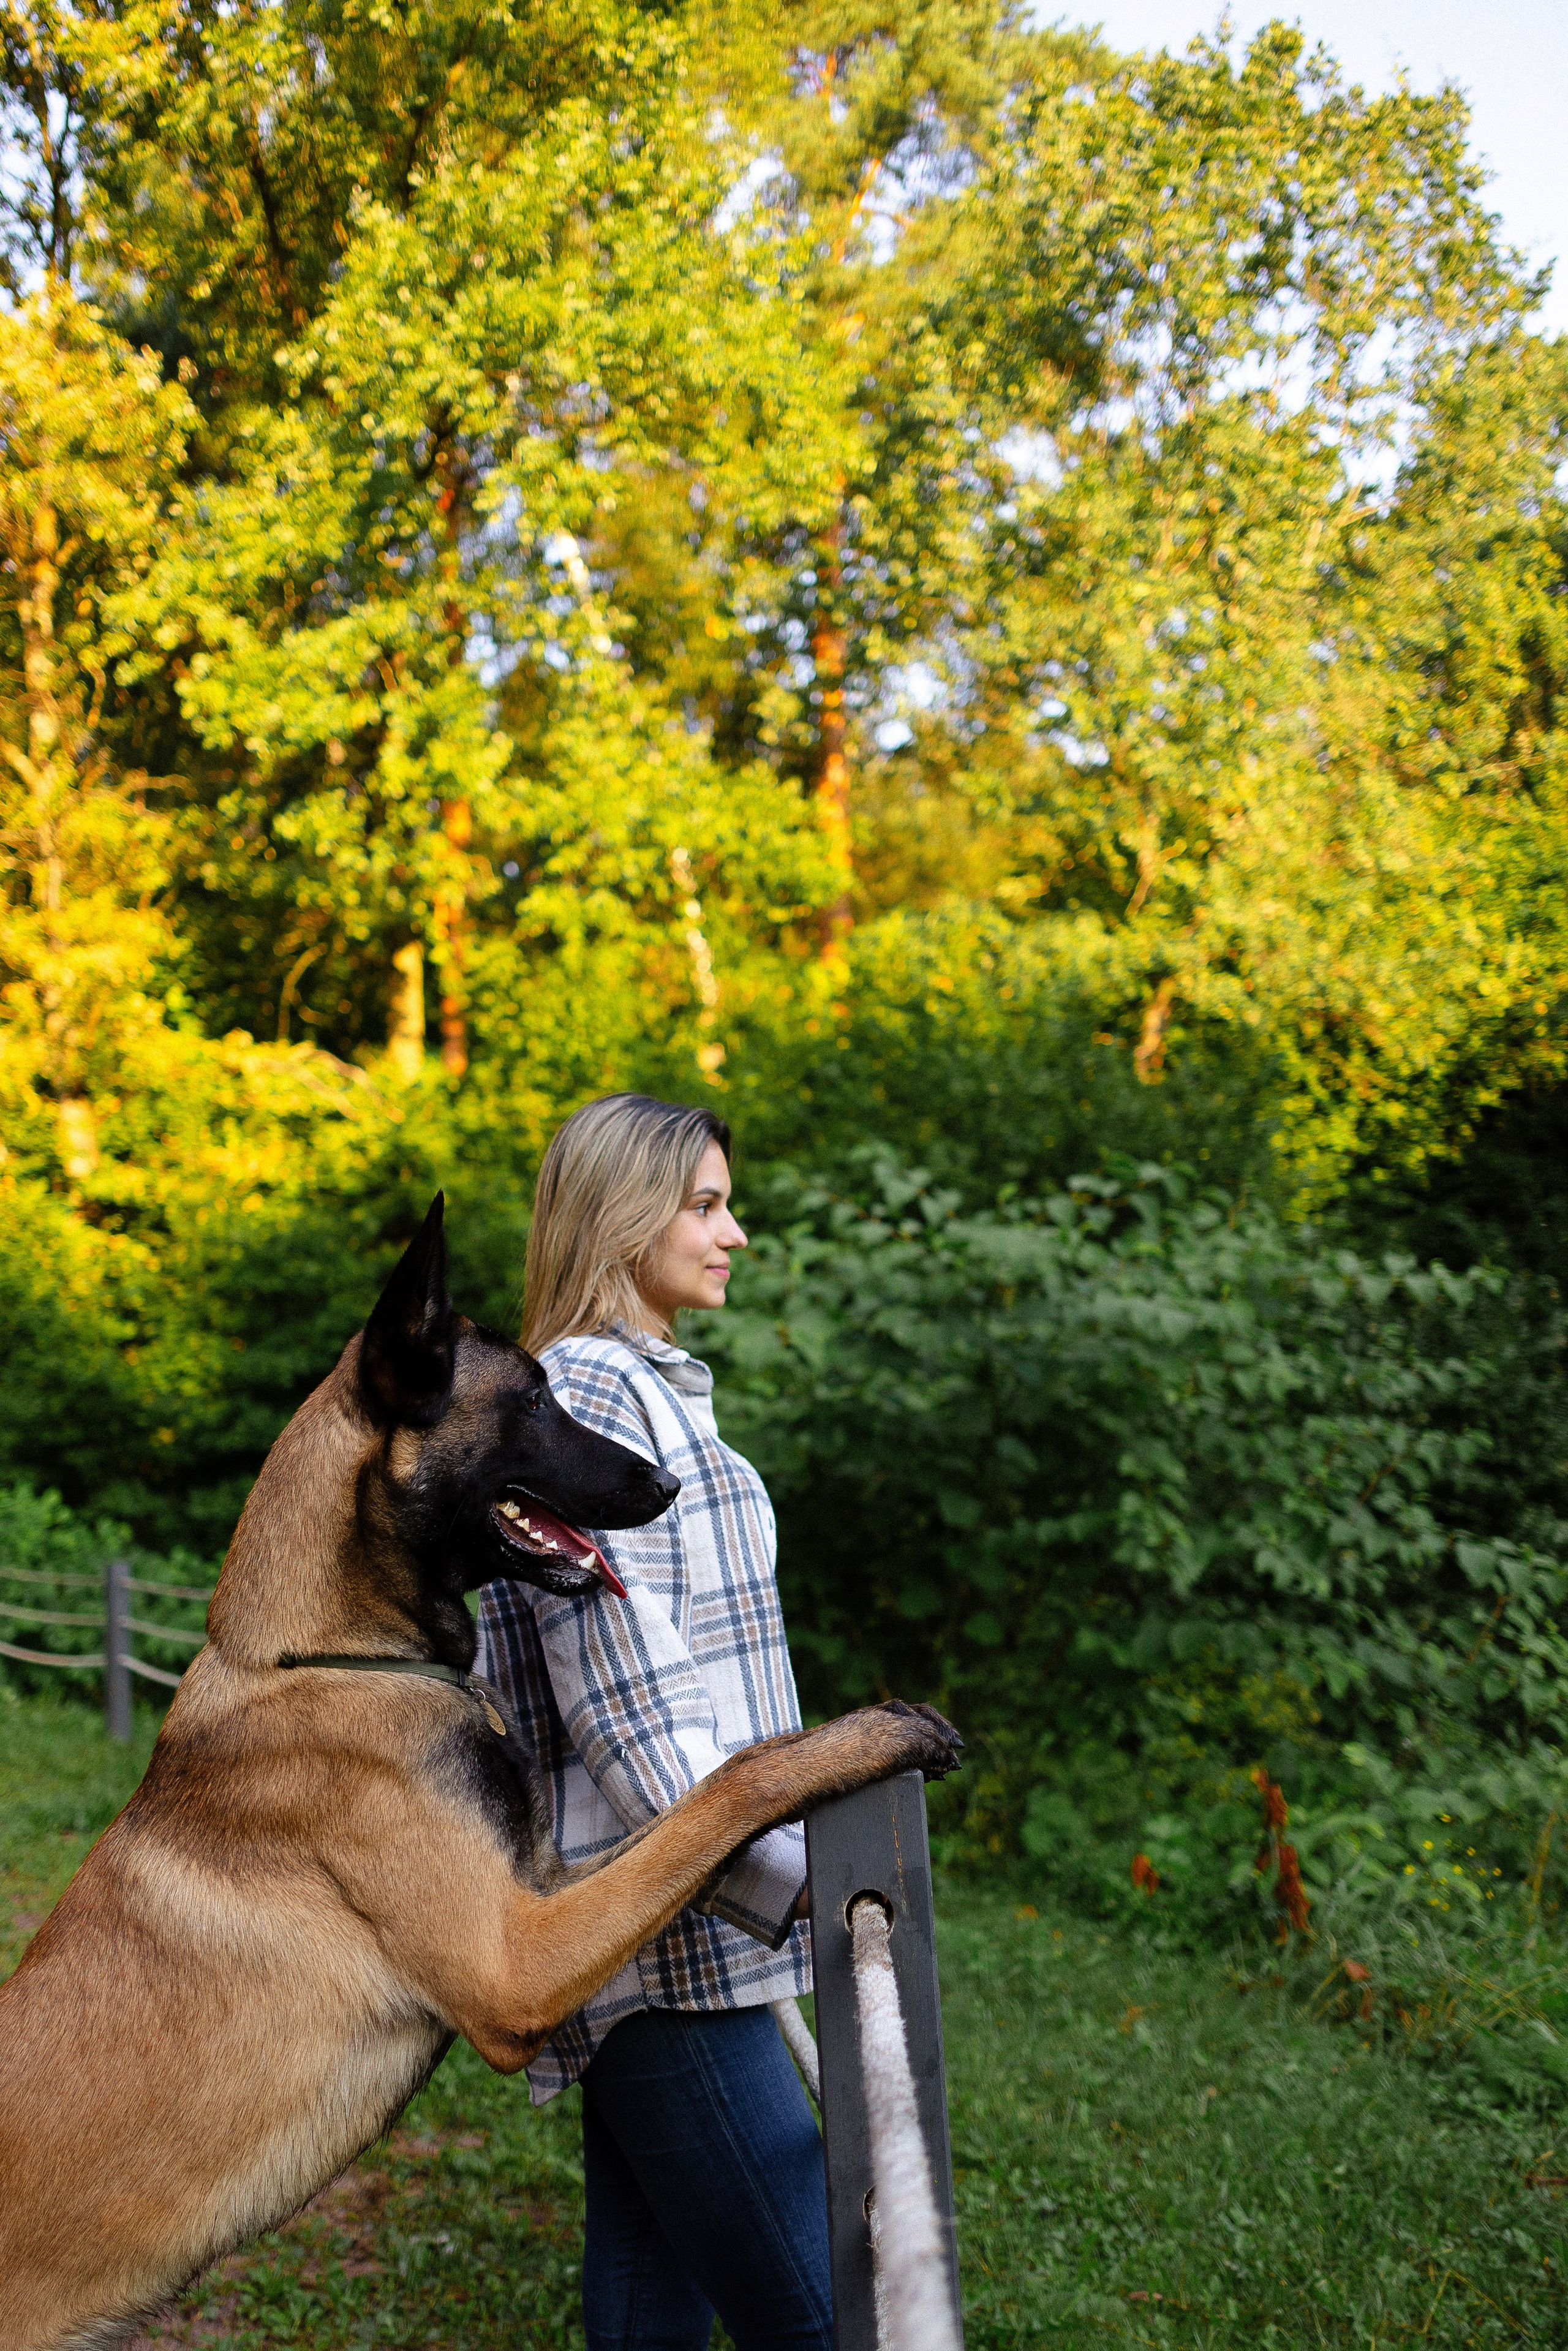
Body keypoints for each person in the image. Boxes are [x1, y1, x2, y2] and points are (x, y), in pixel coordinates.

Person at [476, 1093, 830, 2351]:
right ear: (621, 1215)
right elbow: (625, 1704)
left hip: (660, 1922)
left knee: (649, 2302)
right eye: (705, 1203)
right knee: (822, 2313)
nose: (735, 1231)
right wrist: (798, 1879)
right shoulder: (591, 1401)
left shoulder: (631, 1388)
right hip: (669, 1939)